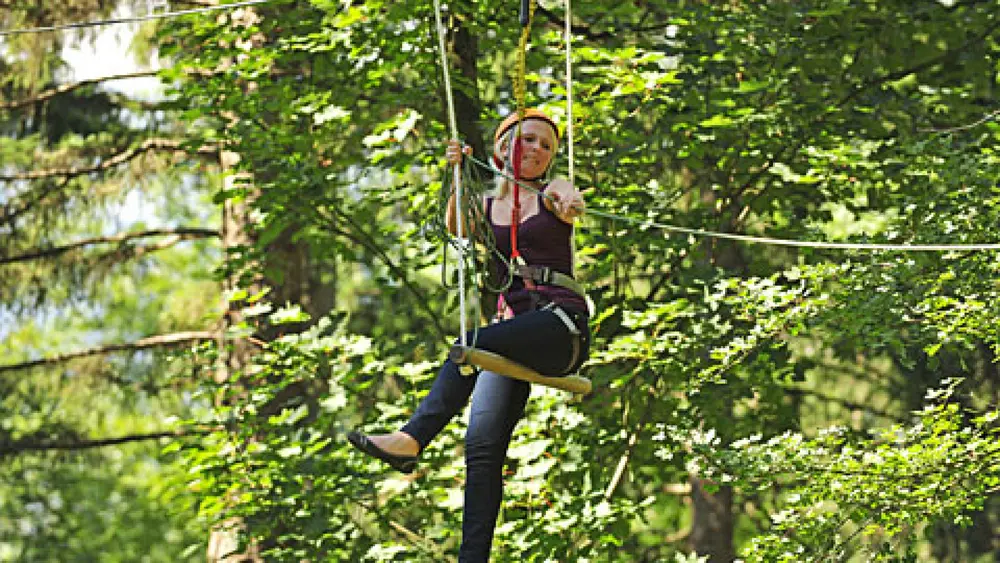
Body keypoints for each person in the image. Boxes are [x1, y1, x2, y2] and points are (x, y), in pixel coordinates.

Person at [347, 108, 590, 562]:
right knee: (481, 448)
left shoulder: (551, 195)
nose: (537, 149)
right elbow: (457, 226)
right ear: (502, 148)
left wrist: (568, 197)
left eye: (547, 146)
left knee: (473, 343)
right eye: (529, 140)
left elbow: (568, 197)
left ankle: (412, 438)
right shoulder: (484, 205)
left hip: (561, 326)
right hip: (511, 337)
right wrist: (457, 172)